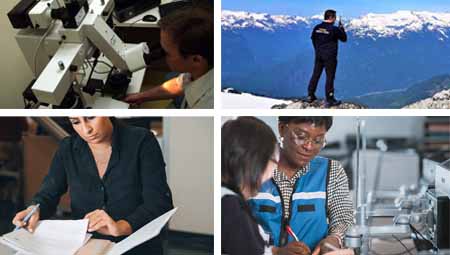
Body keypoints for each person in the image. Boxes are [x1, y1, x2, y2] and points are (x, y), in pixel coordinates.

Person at [12, 117, 173, 254]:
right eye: (76, 122)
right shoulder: (67, 148)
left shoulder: (141, 141)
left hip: (137, 247)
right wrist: (35, 209)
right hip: (89, 247)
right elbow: (49, 193)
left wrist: (122, 226)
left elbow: (160, 203)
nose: (86, 129)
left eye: (91, 117)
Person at [248, 117, 354, 255]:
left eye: (318, 141)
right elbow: (234, 232)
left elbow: (343, 217)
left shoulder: (331, 171)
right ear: (282, 129)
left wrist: (335, 239)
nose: (309, 147)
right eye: (301, 137)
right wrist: (274, 252)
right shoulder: (251, 170)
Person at [124, 6, 213, 109]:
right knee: (169, 77)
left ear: (196, 60)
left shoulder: (207, 104)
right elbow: (179, 84)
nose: (161, 56)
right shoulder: (200, 69)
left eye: (166, 52)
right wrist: (140, 96)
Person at [307, 10, 347, 107]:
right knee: (330, 77)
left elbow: (313, 39)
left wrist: (318, 49)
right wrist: (341, 28)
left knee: (316, 74)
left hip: (319, 55)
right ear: (331, 18)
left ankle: (310, 95)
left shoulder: (317, 28)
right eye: (334, 17)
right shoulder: (334, 29)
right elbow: (344, 39)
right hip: (330, 57)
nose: (335, 19)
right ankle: (330, 99)